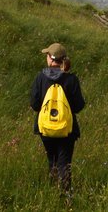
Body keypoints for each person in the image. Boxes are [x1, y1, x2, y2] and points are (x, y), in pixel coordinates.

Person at [30, 42, 85, 194]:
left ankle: (52, 191)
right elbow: (79, 106)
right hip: (67, 129)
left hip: (45, 129)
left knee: (52, 161)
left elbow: (34, 105)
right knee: (64, 162)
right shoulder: (71, 79)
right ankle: (65, 196)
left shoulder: (40, 77)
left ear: (50, 58)